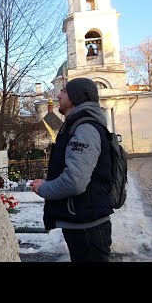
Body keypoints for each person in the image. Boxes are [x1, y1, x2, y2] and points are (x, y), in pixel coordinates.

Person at [30, 77, 113, 262]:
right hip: (82, 222)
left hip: (88, 227)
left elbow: (74, 181)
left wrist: (44, 188)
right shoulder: (77, 125)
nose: (59, 94)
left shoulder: (85, 129)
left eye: (64, 91)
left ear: (76, 96)